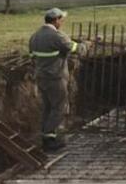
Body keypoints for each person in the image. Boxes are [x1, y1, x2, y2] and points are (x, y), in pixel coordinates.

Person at [28, 8, 88, 151]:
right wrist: (86, 44)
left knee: (48, 108)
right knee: (59, 107)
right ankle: (49, 140)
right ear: (55, 20)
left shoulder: (35, 36)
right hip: (55, 78)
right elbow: (76, 48)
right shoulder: (56, 36)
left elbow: (33, 57)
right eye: (61, 19)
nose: (62, 22)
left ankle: (46, 137)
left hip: (41, 77)